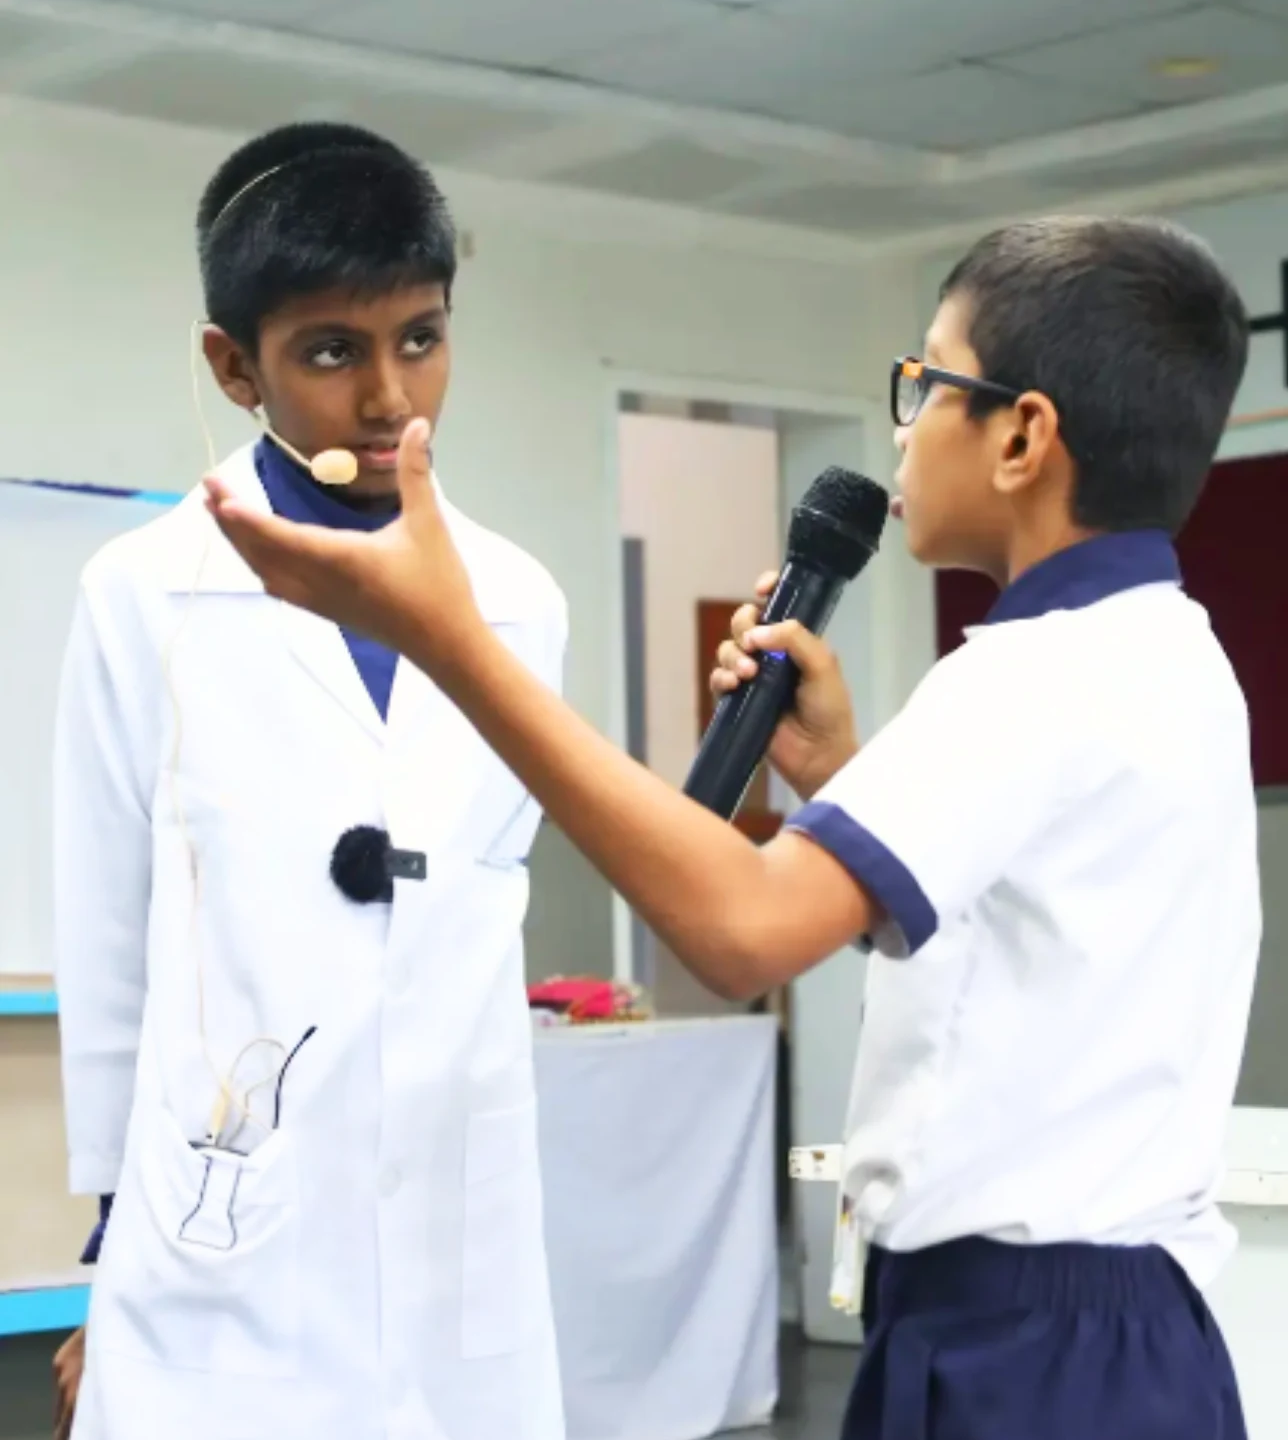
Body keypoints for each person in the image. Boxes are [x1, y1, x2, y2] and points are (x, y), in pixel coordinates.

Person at [207, 214, 1259, 1440]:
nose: (904, 426)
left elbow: (740, 930)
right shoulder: (1164, 653)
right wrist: (847, 779)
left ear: (1022, 435)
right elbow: (1035, 947)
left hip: (1028, 1348)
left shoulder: (1027, 678)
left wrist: (450, 644)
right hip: (1119, 1331)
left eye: (926, 382)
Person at [52, 122, 568, 1440]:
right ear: (236, 367)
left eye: (422, 337)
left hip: (457, 1192)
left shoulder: (518, 603)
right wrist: (114, 1239)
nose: (392, 397)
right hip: (230, 1199)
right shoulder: (145, 593)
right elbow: (111, 927)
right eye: (333, 352)